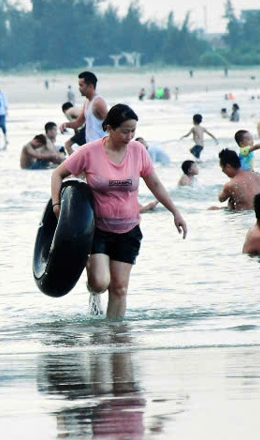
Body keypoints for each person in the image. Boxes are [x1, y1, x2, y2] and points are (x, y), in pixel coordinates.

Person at [50, 104, 187, 319]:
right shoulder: (90, 152)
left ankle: (116, 339)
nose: (130, 136)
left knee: (120, 288)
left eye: (133, 131)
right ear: (109, 128)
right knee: (100, 283)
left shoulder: (138, 151)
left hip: (129, 229)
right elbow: (58, 174)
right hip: (98, 230)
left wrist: (175, 212)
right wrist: (57, 206)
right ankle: (89, 272)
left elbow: (155, 183)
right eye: (125, 131)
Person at [60, 71, 108, 144]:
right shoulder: (87, 102)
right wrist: (66, 125)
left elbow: (111, 123)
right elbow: (78, 123)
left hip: (100, 146)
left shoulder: (98, 102)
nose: (79, 89)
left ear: (90, 86)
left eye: (81, 85)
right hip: (90, 144)